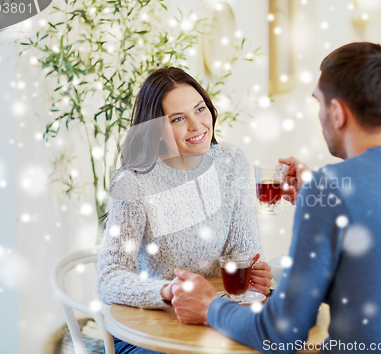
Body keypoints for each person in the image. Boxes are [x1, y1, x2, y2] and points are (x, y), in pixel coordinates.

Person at [169, 42, 381, 353]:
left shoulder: (331, 188)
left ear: (337, 112)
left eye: (319, 102)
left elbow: (280, 334)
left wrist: (209, 306)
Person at [96, 67, 273, 354]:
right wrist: (167, 292)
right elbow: (108, 277)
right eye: (178, 119)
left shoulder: (230, 162)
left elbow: (244, 253)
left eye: (200, 109)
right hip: (149, 331)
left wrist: (254, 277)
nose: (197, 125)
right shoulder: (134, 181)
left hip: (214, 321)